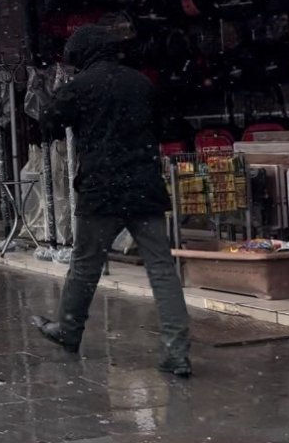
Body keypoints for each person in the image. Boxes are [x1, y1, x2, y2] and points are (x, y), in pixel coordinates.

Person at [34, 24, 192, 377]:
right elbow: (165, 127)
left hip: (101, 191)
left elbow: (48, 123)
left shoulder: (80, 87)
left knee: (85, 266)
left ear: (81, 57)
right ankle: (176, 351)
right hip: (145, 188)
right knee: (162, 271)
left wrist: (60, 94)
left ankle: (69, 330)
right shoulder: (142, 83)